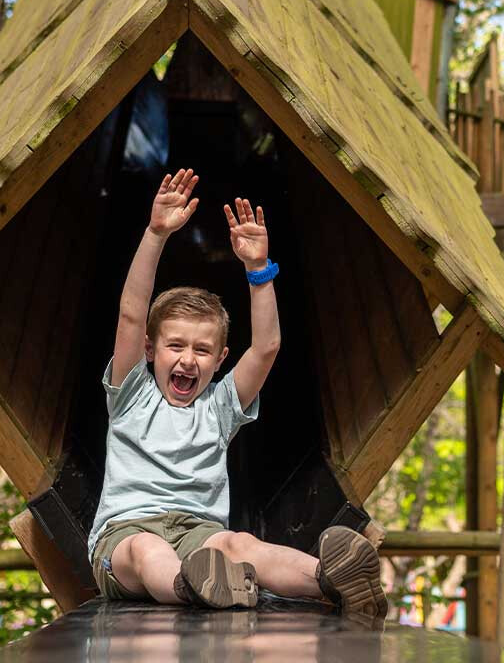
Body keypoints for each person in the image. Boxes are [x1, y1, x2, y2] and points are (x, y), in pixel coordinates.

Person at [89, 169, 386, 616]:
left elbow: (266, 348)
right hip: (127, 533)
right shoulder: (132, 395)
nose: (188, 359)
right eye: (176, 346)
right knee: (147, 551)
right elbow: (132, 314)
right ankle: (190, 586)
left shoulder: (220, 407)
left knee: (239, 543)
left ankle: (332, 580)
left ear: (220, 358)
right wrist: (155, 233)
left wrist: (258, 270)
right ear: (150, 350)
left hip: (200, 535)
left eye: (202, 350)